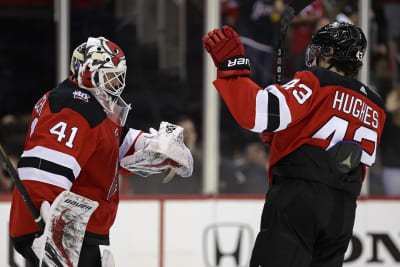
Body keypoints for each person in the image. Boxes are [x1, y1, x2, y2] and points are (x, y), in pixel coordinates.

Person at [203, 22, 386, 266]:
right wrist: (287, 135)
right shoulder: (375, 106)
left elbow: (255, 111)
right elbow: (342, 154)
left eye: (321, 49)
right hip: (341, 214)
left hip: (299, 201)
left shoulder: (317, 80)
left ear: (330, 53)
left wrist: (232, 66)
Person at [9, 36, 192, 266]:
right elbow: (43, 168)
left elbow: (111, 146)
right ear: (88, 72)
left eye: (118, 77)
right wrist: (52, 236)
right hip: (56, 230)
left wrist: (155, 147)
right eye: (110, 76)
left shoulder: (93, 106)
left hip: (73, 229)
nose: (117, 84)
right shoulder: (73, 105)